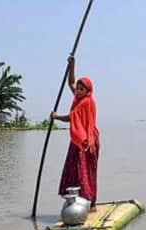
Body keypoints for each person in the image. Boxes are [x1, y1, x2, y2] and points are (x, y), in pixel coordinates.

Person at [50, 55, 100, 210]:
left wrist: (56, 116)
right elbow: (71, 82)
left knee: (84, 171)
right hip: (78, 140)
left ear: (87, 90)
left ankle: (88, 201)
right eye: (78, 89)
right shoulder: (79, 98)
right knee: (75, 169)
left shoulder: (86, 102)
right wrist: (72, 65)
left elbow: (72, 118)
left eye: (81, 89)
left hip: (86, 142)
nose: (77, 91)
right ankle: (83, 201)